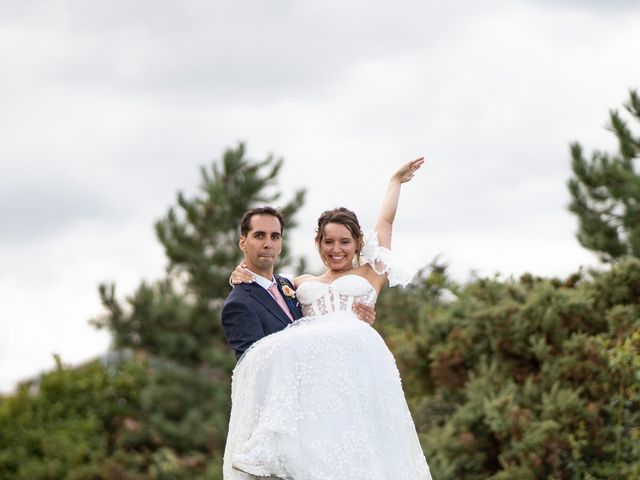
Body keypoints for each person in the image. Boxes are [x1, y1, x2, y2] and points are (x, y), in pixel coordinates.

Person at [223, 158, 432, 480]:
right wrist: (238, 273)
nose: (336, 249)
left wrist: (395, 182)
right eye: (329, 241)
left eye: (345, 242)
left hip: (353, 363)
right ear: (318, 244)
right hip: (317, 379)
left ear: (357, 244)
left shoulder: (370, 272)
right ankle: (269, 447)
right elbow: (266, 283)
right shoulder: (301, 283)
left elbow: (385, 225)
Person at [221, 207, 377, 360]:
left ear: (281, 243)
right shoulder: (239, 304)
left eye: (275, 236)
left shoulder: (287, 285)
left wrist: (352, 322)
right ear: (243, 242)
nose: (268, 244)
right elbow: (252, 367)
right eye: (259, 236)